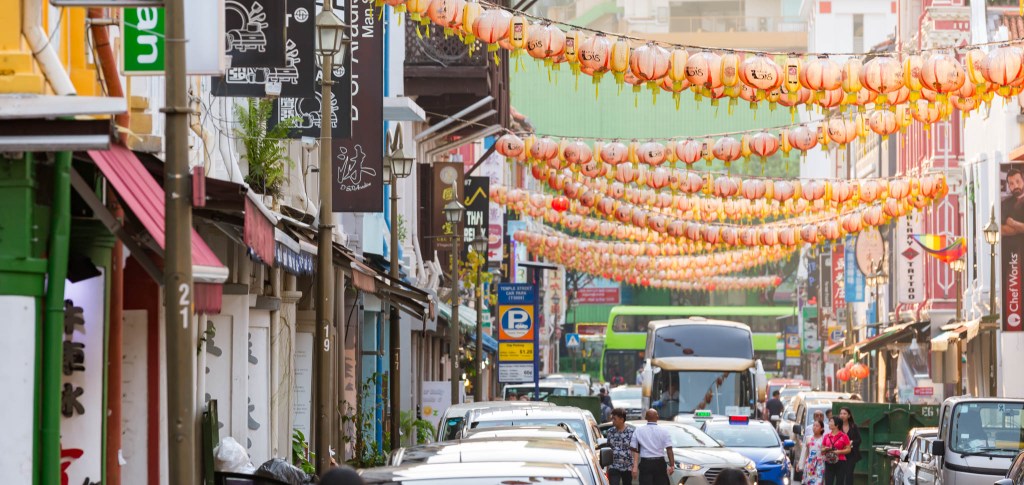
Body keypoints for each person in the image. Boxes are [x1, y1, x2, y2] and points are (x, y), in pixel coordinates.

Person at [630, 409, 675, 485]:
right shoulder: (664, 431)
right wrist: (672, 465)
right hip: (659, 463)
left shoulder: (638, 431)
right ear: (657, 417)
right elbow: (669, 449)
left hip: (645, 463)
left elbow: (634, 449)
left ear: (645, 418)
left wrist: (635, 466)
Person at [606, 408, 636, 485]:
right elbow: (608, 450)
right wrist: (607, 467)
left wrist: (634, 466)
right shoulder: (610, 432)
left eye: (614, 419)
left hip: (627, 466)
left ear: (621, 419)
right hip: (614, 465)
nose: (612, 421)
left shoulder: (631, 432)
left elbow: (635, 450)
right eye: (612, 419)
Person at [822, 417, 852, 485]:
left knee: (840, 482)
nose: (829, 423)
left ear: (837, 425)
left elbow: (848, 449)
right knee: (828, 482)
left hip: (841, 461)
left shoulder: (844, 436)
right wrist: (826, 449)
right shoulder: (826, 436)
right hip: (829, 461)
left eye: (831, 422)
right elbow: (822, 449)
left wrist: (839, 452)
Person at [798, 419, 826, 485]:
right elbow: (805, 453)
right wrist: (800, 464)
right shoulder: (808, 438)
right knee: (808, 481)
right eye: (814, 425)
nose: (814, 427)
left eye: (817, 426)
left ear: (821, 428)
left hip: (820, 464)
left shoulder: (824, 439)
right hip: (810, 463)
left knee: (818, 482)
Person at [839, 407, 861, 485]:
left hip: (851, 454)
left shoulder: (853, 426)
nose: (842, 415)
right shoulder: (837, 427)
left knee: (849, 474)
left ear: (849, 416)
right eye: (841, 413)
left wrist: (851, 442)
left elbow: (859, 440)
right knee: (840, 474)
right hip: (839, 454)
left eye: (844, 413)